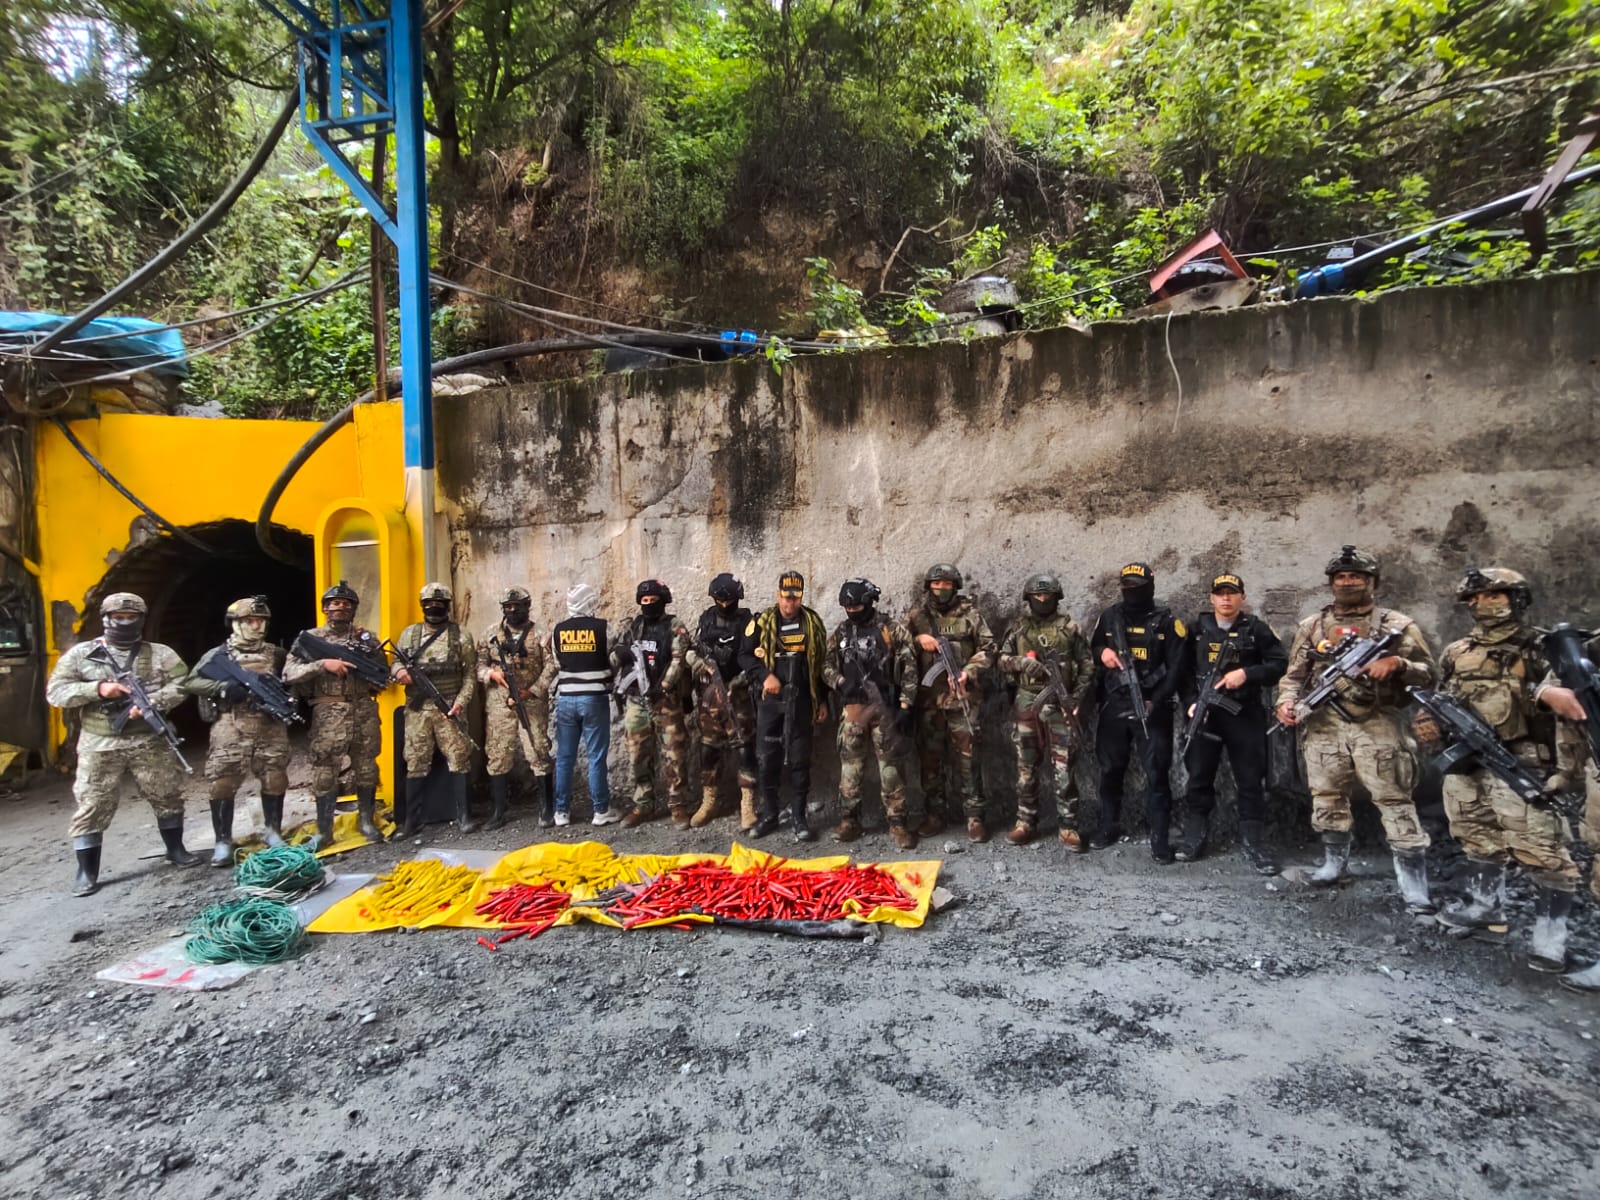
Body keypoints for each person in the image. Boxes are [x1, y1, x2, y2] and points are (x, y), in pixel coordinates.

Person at [1413, 567, 1577, 970]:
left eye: (1493, 595)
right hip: (1466, 760)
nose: (1482, 604)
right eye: (1475, 598)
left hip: (1522, 759)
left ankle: (1551, 937)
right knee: (1475, 834)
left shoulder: (1541, 647)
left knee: (1541, 849)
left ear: (1516, 599)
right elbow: (1443, 696)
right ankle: (1485, 907)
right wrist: (1428, 721)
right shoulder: (1457, 651)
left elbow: (1570, 710)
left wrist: (1565, 768)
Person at [1275, 545, 1437, 912]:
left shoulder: (1397, 626)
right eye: (1341, 577)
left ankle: (1414, 885)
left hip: (1379, 723)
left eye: (1356, 576)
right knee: (1327, 796)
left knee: (1395, 800)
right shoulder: (1313, 627)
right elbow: (1294, 676)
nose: (1348, 582)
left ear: (1372, 581)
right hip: (1324, 725)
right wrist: (1286, 703)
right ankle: (1334, 865)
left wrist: (1397, 664)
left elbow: (1430, 675)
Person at [46, 592, 201, 896]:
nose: (125, 623)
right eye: (119, 618)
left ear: (141, 620)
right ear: (106, 619)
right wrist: (98, 689)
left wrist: (153, 701)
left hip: (149, 738)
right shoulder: (82, 654)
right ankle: (86, 871)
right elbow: (56, 692)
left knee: (166, 792)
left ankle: (176, 849)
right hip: (100, 742)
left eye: (131, 618)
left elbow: (183, 684)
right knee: (93, 802)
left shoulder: (160, 654)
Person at [1176, 573, 1287, 872]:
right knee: (1199, 776)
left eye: (1232, 593)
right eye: (1220, 593)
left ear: (1242, 597)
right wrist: (1191, 703)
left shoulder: (1256, 629)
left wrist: (1247, 674)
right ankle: (1194, 836)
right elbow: (1181, 672)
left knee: (1250, 779)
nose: (1226, 598)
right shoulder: (1196, 629)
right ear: (1211, 598)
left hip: (1244, 713)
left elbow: (1279, 664)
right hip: (1205, 715)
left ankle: (1254, 842)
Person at [181, 596, 293, 865]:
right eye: (250, 621)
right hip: (231, 722)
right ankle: (222, 841)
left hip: (270, 723)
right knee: (223, 780)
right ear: (235, 624)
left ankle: (273, 832)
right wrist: (222, 688)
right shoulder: (219, 656)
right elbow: (191, 682)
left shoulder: (276, 654)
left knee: (275, 775)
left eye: (261, 621)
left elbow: (292, 680)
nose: (256, 626)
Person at [1089, 562, 1186, 861]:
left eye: (1137, 587)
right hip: (1115, 704)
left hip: (1151, 707)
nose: (1132, 592)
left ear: (1150, 587)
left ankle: (1160, 838)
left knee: (1157, 774)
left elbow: (1177, 669)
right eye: (1127, 587)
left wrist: (1155, 700)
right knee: (1109, 769)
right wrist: (1102, 653)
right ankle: (1109, 825)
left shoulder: (1167, 622)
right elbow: (1093, 649)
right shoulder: (1110, 617)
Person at [283, 580, 388, 846]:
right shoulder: (311, 639)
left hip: (363, 709)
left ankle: (366, 821)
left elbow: (381, 675)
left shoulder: (366, 638)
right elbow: (289, 673)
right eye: (334, 603)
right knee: (325, 770)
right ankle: (324, 830)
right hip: (328, 711)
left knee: (367, 768)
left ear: (353, 609)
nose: (340, 607)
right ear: (325, 608)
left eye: (345, 604)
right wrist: (322, 665)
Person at [997, 572, 1093, 849]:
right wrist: (1021, 663)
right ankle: (1025, 821)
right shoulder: (1018, 628)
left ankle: (1068, 825)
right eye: (1037, 595)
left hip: (1061, 706)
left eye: (1046, 595)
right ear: (1029, 599)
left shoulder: (1070, 628)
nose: (1042, 599)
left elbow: (1087, 665)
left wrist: (1076, 697)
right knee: (1026, 767)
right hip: (1027, 703)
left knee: (1064, 768)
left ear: (1056, 597)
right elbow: (1001, 660)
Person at [822, 577, 918, 848]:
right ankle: (849, 820)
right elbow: (825, 665)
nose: (852, 612)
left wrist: (905, 706)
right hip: (854, 709)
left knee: (890, 769)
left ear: (869, 603)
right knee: (850, 768)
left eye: (857, 607)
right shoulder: (842, 632)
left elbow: (910, 667)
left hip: (885, 708)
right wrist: (840, 682)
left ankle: (898, 823)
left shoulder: (890, 629)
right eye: (848, 608)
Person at [906, 563, 996, 842]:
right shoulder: (917, 617)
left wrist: (968, 671)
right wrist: (917, 639)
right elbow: (896, 646)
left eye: (946, 584)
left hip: (962, 699)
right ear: (928, 587)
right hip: (929, 702)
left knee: (969, 760)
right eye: (936, 584)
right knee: (930, 760)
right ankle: (935, 814)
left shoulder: (971, 615)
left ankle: (974, 816)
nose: (941, 589)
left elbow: (989, 648)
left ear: (955, 587)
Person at [741, 569, 830, 842]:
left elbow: (820, 666)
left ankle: (799, 817)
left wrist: (822, 700)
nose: (790, 603)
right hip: (770, 702)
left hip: (802, 700)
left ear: (801, 597)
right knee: (767, 758)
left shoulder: (812, 623)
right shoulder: (762, 622)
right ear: (777, 594)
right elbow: (744, 656)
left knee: (800, 760)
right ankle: (770, 814)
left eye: (795, 598)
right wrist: (764, 676)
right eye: (785, 597)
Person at [392, 582, 478, 835]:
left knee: (459, 758)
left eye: (439, 604)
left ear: (448, 606)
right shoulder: (410, 634)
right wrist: (400, 672)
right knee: (416, 760)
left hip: (448, 705)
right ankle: (412, 820)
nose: (434, 608)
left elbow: (470, 674)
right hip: (418, 709)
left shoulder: (460, 635)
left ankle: (464, 816)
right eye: (429, 604)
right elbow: (395, 662)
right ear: (422, 606)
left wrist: (461, 702)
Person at [615, 579, 692, 828]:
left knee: (674, 754)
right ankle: (644, 803)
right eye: (644, 600)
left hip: (665, 700)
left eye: (653, 600)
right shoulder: (633, 626)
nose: (648, 604)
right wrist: (619, 654)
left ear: (663, 601)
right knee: (637, 753)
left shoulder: (675, 626)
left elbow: (679, 660)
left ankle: (678, 805)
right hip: (636, 700)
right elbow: (615, 656)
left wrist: (665, 686)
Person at [686, 573, 758, 831]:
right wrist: (699, 665)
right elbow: (692, 651)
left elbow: (756, 659)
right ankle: (709, 801)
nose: (725, 605)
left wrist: (737, 682)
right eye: (720, 600)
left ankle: (747, 804)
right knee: (708, 749)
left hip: (738, 698)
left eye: (729, 600)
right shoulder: (706, 620)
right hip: (709, 698)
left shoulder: (748, 622)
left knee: (745, 749)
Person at [478, 586, 554, 829]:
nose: (512, 611)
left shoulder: (540, 633)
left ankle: (546, 808)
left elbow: (552, 666)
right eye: (508, 607)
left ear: (527, 607)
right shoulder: (491, 634)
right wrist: (491, 674)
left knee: (538, 750)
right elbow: (478, 666)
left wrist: (533, 690)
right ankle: (499, 810)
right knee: (497, 754)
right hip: (499, 703)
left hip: (531, 701)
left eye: (517, 607)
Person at [550, 583, 620, 825]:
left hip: (566, 699)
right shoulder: (603, 627)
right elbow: (613, 658)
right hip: (594, 698)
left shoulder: (558, 630)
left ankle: (561, 812)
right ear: (591, 602)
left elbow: (557, 662)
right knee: (596, 756)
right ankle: (601, 810)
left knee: (564, 757)